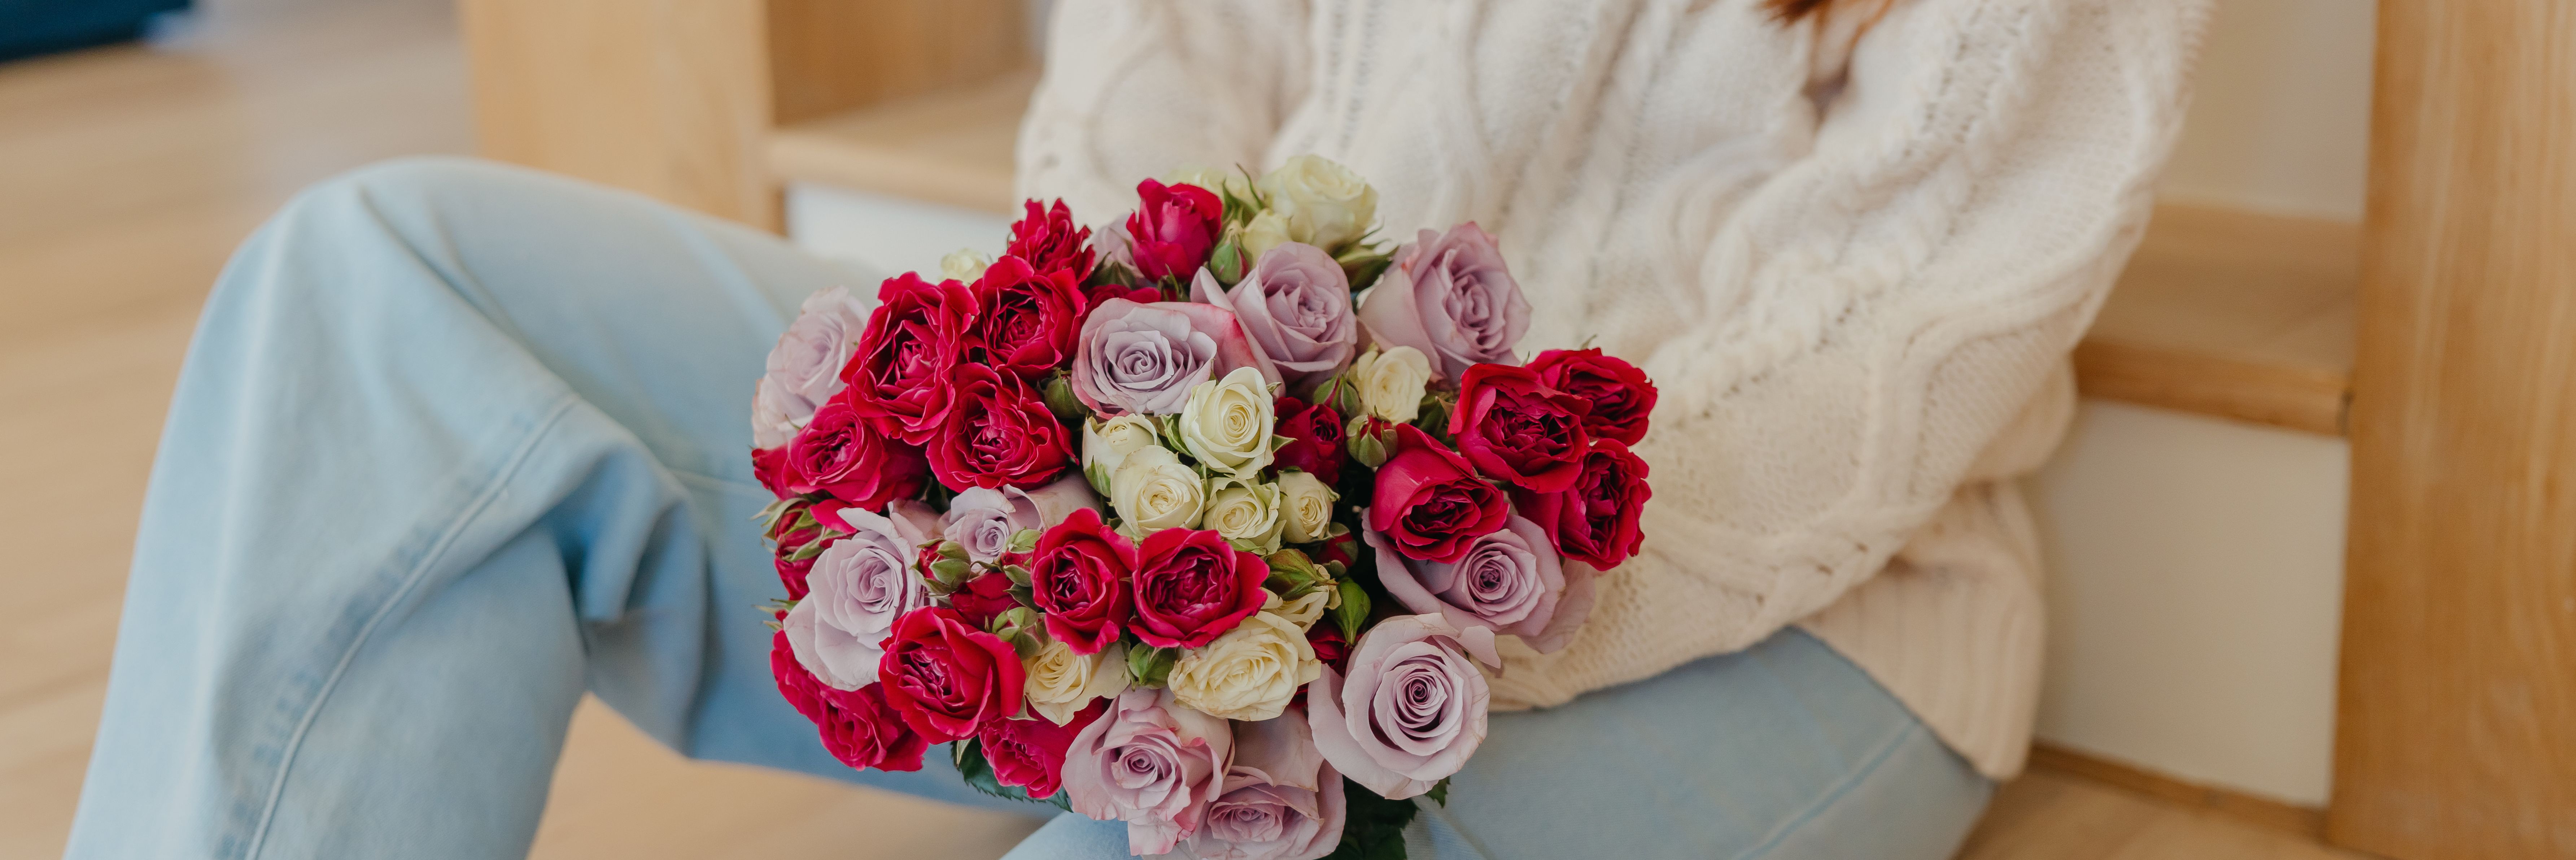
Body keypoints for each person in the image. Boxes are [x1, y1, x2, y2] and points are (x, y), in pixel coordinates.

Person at [62, 0, 2209, 857]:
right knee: (384, 289)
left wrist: (1357, 611)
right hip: (1210, 517)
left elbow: (1915, 321)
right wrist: (1086, 476)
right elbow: (1145, 89)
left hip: (1761, 607)